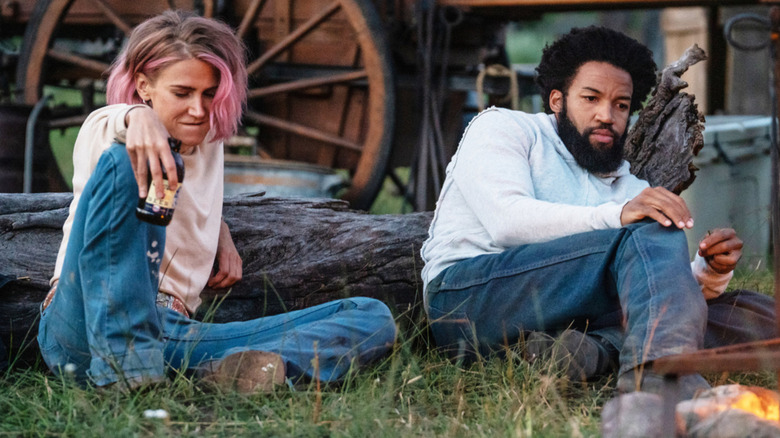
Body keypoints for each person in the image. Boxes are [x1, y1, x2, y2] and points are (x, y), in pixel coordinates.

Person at [38, 10, 396, 392]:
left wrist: (217, 227)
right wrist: (138, 116)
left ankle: (250, 372)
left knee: (368, 314)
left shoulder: (207, 143)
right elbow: (113, 129)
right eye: (181, 93)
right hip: (81, 326)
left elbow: (176, 200)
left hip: (168, 332)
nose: (198, 109)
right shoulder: (108, 128)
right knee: (128, 159)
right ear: (143, 84)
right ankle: (126, 370)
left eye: (209, 94)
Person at [420, 26, 775, 399]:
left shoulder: (628, 187)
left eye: (621, 105)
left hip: (559, 314)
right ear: (557, 100)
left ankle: (595, 352)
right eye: (591, 98)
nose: (607, 115)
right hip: (466, 301)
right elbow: (508, 223)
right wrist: (618, 216)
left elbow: (658, 294)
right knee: (652, 233)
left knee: (752, 312)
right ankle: (660, 383)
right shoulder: (505, 128)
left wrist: (710, 272)